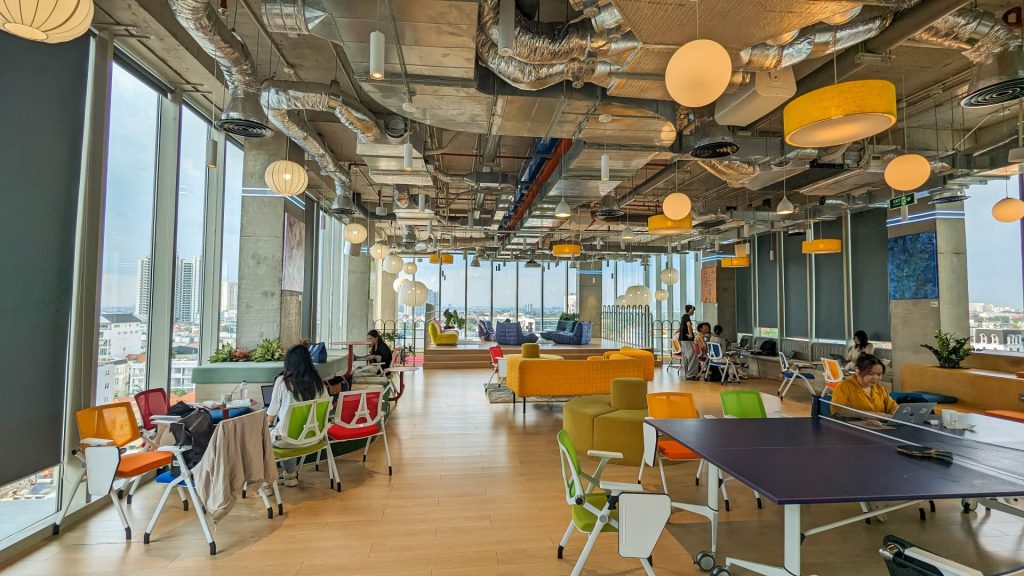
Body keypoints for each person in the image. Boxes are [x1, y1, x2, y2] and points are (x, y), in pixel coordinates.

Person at [267, 345, 328, 487]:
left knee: (266, 434)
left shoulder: (282, 381)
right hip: (314, 438)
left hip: (288, 440)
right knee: (287, 429)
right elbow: (327, 408)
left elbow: (270, 416)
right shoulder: (319, 383)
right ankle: (290, 475)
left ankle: (266, 484)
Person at [829, 354, 897, 418]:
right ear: (858, 371)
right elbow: (838, 411)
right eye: (871, 374)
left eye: (879, 374)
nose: (876, 378)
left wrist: (897, 413)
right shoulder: (844, 386)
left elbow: (892, 406)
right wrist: (874, 415)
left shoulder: (878, 388)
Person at [679, 305, 698, 379]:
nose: (693, 312)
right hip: (687, 340)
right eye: (693, 310)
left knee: (686, 357)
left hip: (682, 339)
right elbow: (689, 325)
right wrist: (690, 334)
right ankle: (691, 375)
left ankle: (687, 374)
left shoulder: (683, 317)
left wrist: (677, 332)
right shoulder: (686, 317)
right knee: (693, 356)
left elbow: (681, 327)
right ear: (690, 310)